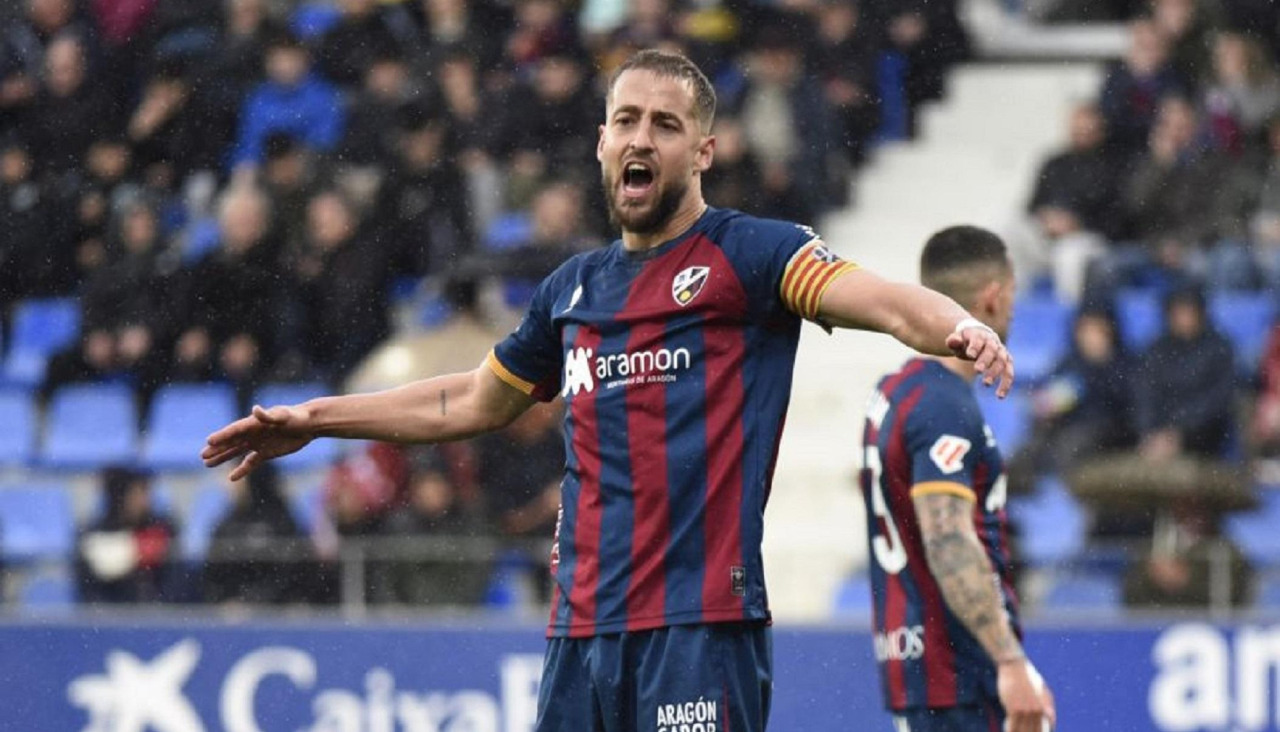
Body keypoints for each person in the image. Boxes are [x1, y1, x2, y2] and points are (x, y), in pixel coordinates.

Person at [204, 50, 1014, 732]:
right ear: (602, 141)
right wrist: (318, 418)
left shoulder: (752, 255)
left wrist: (957, 326)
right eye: (626, 120)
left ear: (703, 150)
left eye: (666, 124)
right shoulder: (571, 290)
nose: (641, 137)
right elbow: (473, 401)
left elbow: (879, 299)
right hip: (581, 632)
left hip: (698, 628)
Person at [859, 227, 1054, 732]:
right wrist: (1010, 661)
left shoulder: (894, 392)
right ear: (992, 297)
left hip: (917, 665)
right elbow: (947, 539)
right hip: (958, 677)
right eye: (1012, 296)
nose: (1013, 310)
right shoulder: (944, 405)